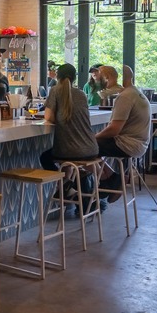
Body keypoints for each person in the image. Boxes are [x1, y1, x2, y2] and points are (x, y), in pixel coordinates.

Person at [40, 64, 99, 209]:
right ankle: (67, 187)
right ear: (74, 78)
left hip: (71, 152)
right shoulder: (81, 94)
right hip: (92, 148)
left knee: (45, 157)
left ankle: (66, 185)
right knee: (66, 158)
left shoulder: (55, 90)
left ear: (57, 77)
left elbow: (48, 117)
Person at [96, 65, 151, 201]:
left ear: (110, 78)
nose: (100, 82)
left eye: (102, 77)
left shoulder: (125, 96)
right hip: (140, 145)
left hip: (128, 144)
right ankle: (110, 180)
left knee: (84, 147)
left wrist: (93, 137)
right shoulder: (136, 92)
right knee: (88, 147)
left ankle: (112, 179)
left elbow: (114, 130)